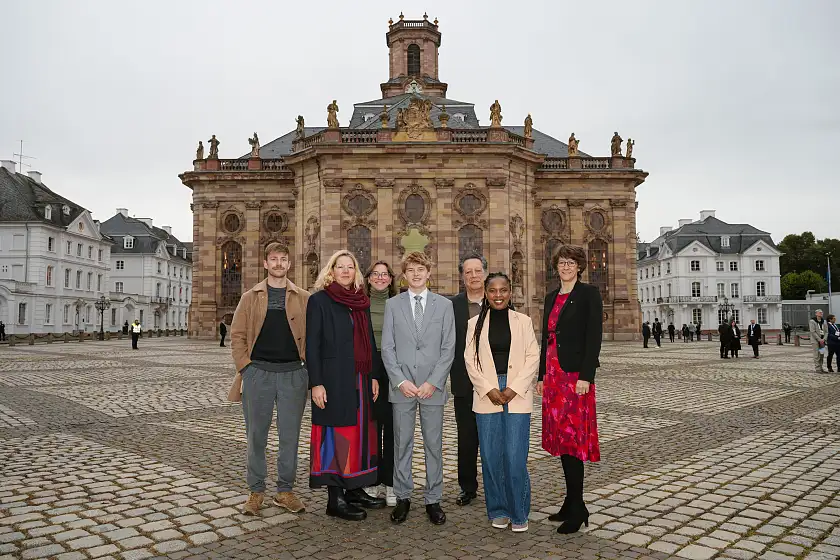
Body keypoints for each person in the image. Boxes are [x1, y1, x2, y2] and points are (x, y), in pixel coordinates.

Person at [229, 243, 311, 516]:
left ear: (289, 264)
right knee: (256, 435)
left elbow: (313, 337)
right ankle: (256, 492)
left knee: (290, 436)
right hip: (258, 374)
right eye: (273, 259)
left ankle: (285, 491)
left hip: (293, 374)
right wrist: (246, 368)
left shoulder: (304, 298)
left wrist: (307, 370)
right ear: (265, 263)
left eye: (283, 259)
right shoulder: (250, 297)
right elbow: (237, 335)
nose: (278, 263)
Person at [307, 250, 385, 521]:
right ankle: (335, 498)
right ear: (331, 271)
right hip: (333, 381)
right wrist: (316, 383)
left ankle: (354, 489)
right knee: (337, 435)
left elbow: (369, 343)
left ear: (355, 272)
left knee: (360, 434)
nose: (345, 271)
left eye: (350, 267)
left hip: (360, 380)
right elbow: (312, 345)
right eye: (340, 266)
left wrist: (373, 375)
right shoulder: (319, 300)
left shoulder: (360, 301)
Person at [381, 251, 456, 526]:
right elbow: (387, 348)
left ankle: (433, 499)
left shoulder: (444, 306)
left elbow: (448, 348)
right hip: (402, 388)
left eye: (420, 269)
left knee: (433, 446)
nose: (416, 274)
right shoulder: (393, 305)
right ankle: (403, 497)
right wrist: (400, 381)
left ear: (429, 273)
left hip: (431, 388)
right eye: (411, 270)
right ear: (404, 275)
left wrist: (433, 382)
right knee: (402, 444)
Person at [464, 273, 539, 532]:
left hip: (516, 392)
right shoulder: (474, 324)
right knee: (491, 456)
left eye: (503, 290)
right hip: (487, 394)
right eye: (493, 290)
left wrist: (514, 388)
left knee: (515, 456)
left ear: (510, 292)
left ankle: (519, 512)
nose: (498, 295)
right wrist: (488, 389)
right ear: (486, 293)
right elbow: (470, 360)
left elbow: (533, 356)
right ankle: (498, 509)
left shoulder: (523, 321)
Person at [537, 245, 602, 535]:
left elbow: (594, 336)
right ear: (556, 266)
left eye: (571, 262)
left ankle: (578, 508)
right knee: (562, 441)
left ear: (579, 267)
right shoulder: (551, 297)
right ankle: (570, 501)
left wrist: (586, 376)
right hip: (554, 378)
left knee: (572, 441)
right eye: (562, 262)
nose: (566, 266)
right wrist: (541, 375)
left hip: (574, 378)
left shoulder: (588, 294)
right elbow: (546, 339)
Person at [449, 254, 488, 507]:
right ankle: (467, 486)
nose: (473, 276)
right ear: (462, 277)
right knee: (466, 438)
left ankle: (495, 484)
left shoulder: (498, 300)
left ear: (485, 273)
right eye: (468, 272)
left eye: (477, 271)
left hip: (493, 382)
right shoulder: (453, 306)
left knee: (493, 438)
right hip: (464, 382)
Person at [365, 260, 398, 506]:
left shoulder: (398, 303)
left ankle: (391, 482)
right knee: (371, 428)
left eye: (384, 274)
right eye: (375, 274)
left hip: (393, 368)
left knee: (394, 428)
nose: (380, 278)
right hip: (368, 368)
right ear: (368, 278)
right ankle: (372, 480)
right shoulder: (360, 304)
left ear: (391, 279)